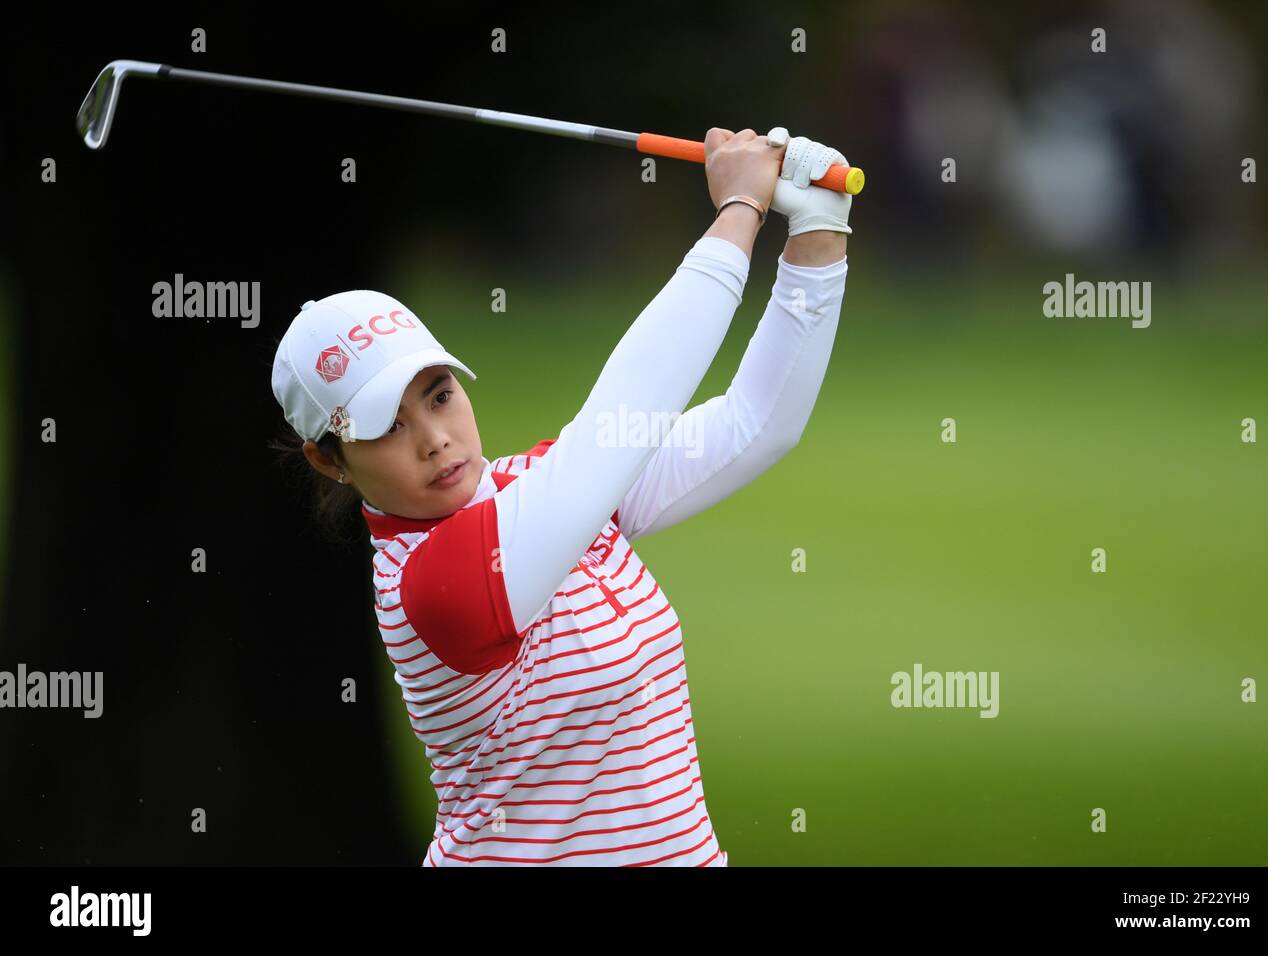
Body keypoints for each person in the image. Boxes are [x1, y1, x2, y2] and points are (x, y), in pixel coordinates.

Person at [269, 126, 852, 866]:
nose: (435, 438)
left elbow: (755, 424)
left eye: (439, 394)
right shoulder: (433, 587)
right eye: (387, 424)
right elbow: (624, 410)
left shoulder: (546, 487)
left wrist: (818, 229)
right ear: (331, 462)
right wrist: (739, 206)